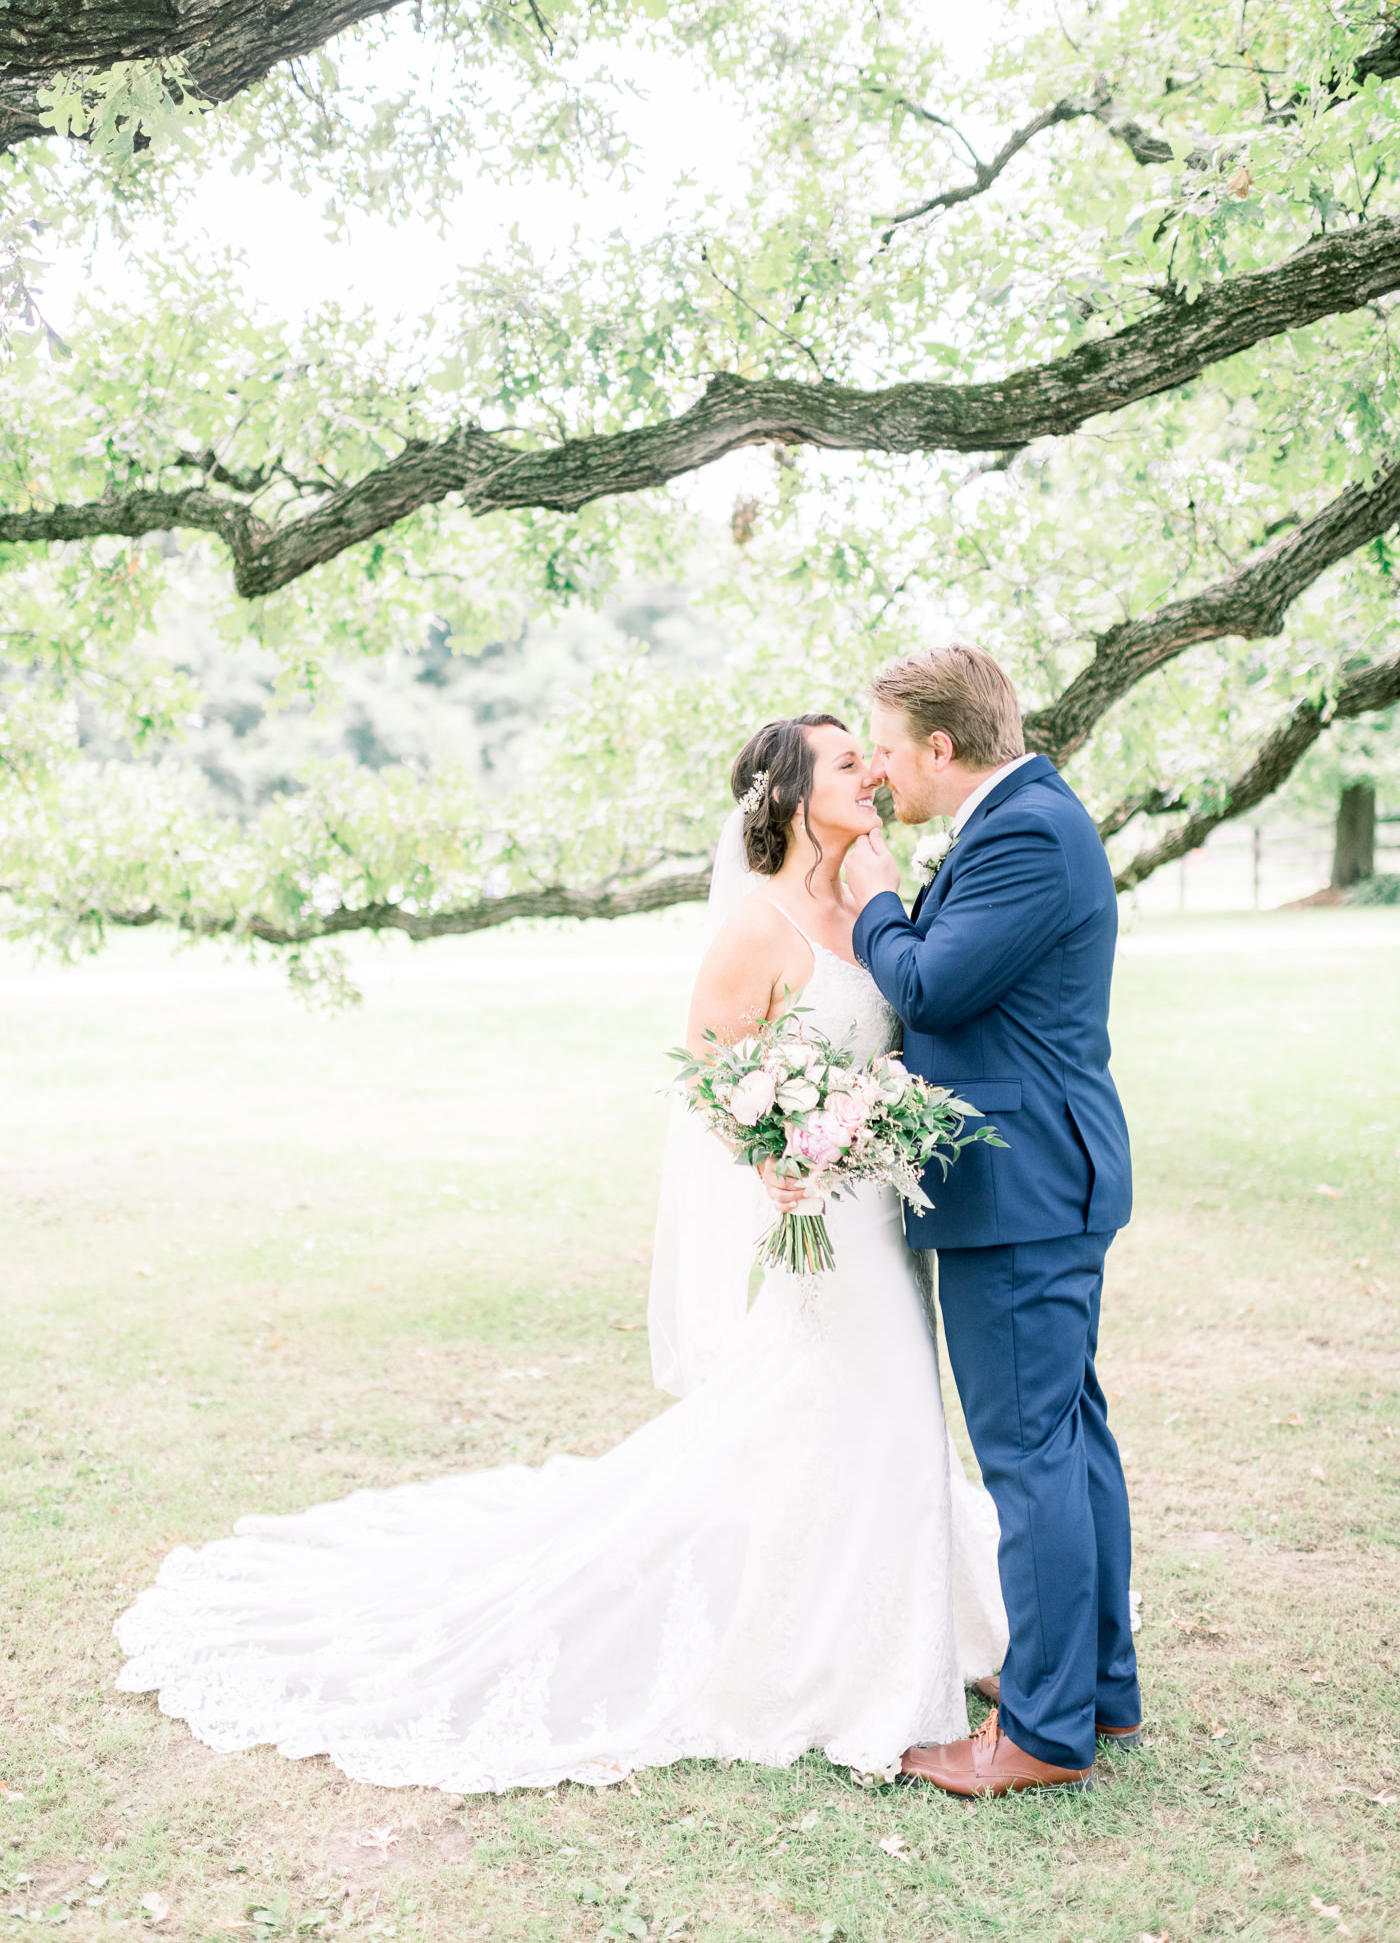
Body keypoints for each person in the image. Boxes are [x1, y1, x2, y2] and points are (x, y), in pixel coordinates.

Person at [114, 712, 1005, 1793]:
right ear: (787, 795)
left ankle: (898, 1620)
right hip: (819, 1221)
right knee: (853, 1405)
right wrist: (769, 1151)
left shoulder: (874, 893)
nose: (871, 769)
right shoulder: (759, 925)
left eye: (869, 756)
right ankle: (827, 1647)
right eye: (847, 760)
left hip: (882, 1212)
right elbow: (713, 1067)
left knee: (893, 1415)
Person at [836, 643, 1139, 1795]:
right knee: (1067, 1441)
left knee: (1030, 1457)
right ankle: (1093, 1687)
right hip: (1038, 1182)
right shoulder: (1023, 821)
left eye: (888, 747)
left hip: (1018, 1191)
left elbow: (928, 986)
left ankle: (1043, 1734)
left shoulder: (1023, 833)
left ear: (942, 749)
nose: (878, 769)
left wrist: (870, 900)